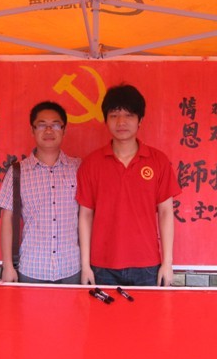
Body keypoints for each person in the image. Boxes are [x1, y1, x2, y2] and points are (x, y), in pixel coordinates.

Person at [76, 84, 181, 286]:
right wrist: (86, 265)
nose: (121, 122)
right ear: (105, 120)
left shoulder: (158, 161)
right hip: (102, 266)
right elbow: (85, 215)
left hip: (147, 264)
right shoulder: (91, 163)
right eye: (114, 115)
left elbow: (166, 212)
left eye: (129, 115)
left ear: (140, 120)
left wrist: (167, 263)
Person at [0, 101, 81, 284]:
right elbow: (7, 220)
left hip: (72, 268)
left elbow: (88, 216)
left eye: (55, 125)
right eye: (42, 125)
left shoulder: (78, 168)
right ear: (32, 130)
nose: (49, 131)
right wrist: (8, 266)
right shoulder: (18, 172)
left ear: (64, 130)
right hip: (32, 269)